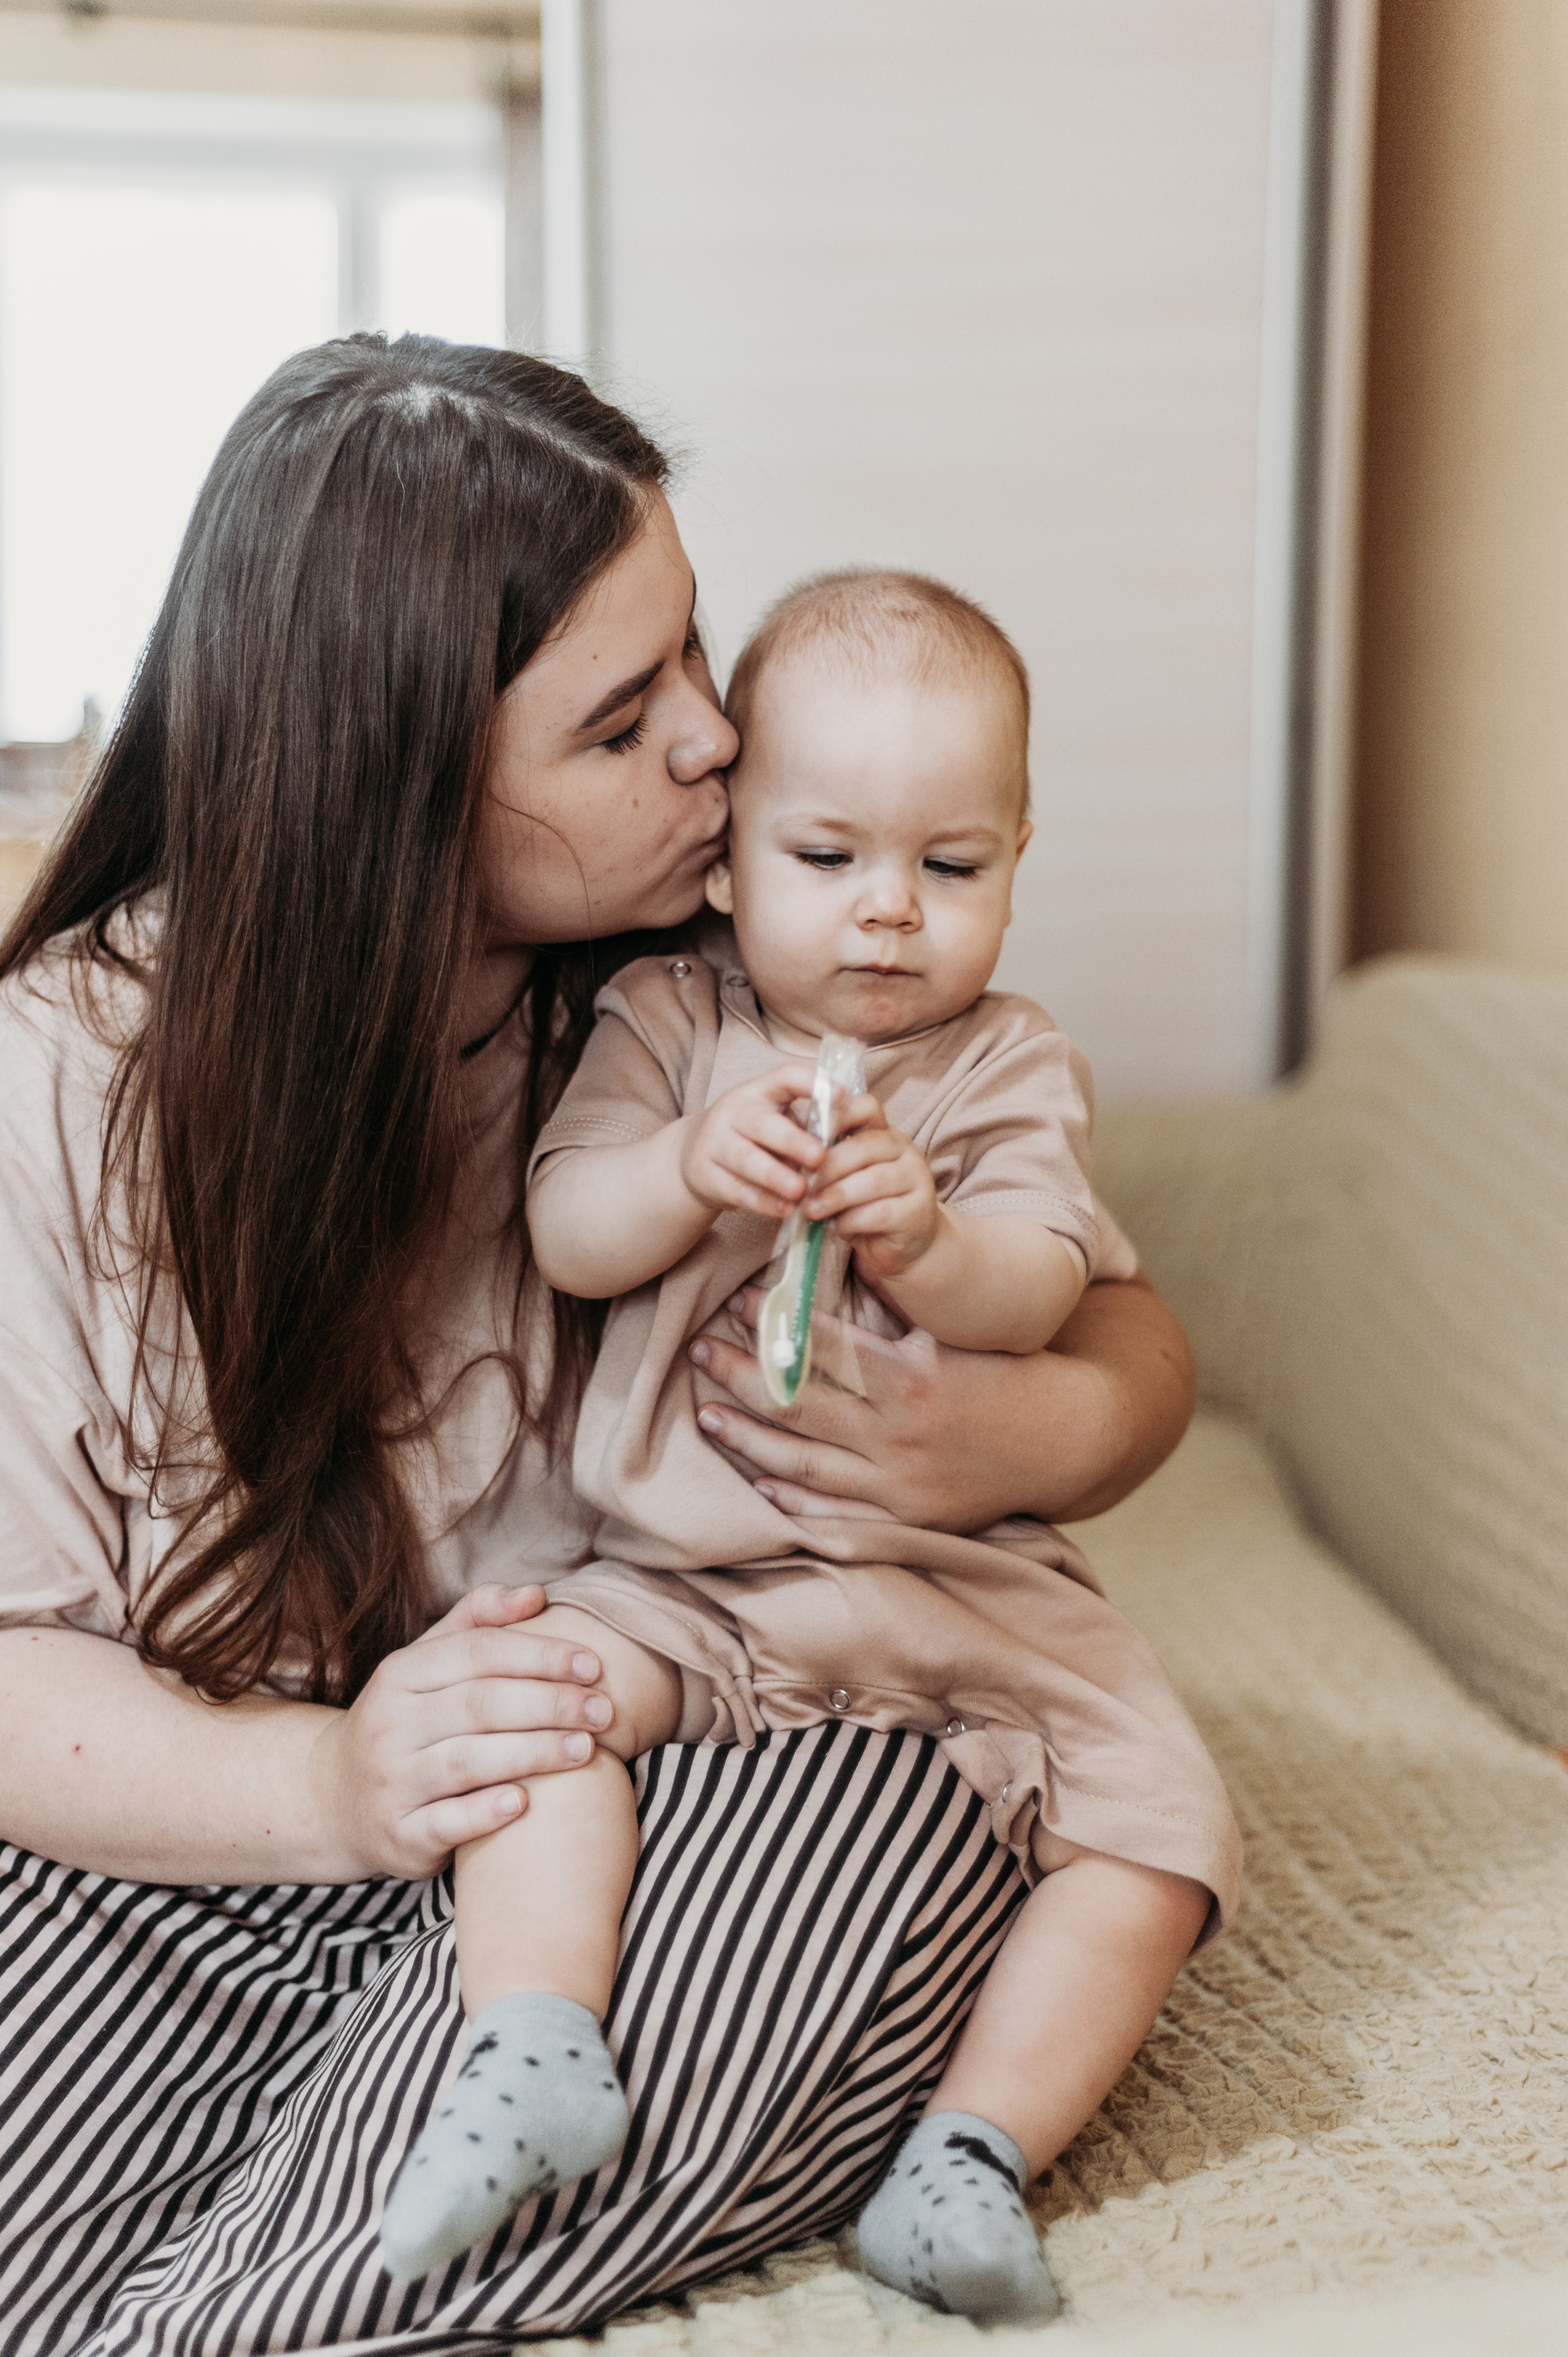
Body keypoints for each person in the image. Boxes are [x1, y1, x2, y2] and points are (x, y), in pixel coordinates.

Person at [0, 336, 1199, 2356]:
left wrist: (1009, 1438)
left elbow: (1134, 1329)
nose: (726, 750)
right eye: (627, 721)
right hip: (202, 1799)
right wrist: (339, 1798)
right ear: (395, 778)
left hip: (673, 1734)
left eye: (699, 664)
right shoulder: (64, 1082)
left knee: (904, 1804)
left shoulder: (731, 961)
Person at [379, 570, 1240, 2321]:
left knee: (1167, 1830)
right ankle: (533, 2042)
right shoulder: (674, 1024)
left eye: (952, 865)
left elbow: (1045, 1288)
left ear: (1017, 859)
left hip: (955, 1585)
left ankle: (972, 2152)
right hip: (681, 1575)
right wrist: (689, 1167)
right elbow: (567, 1230)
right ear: (730, 855)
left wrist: (928, 1241)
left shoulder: (1007, 1071)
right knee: (530, 1712)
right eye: (828, 857)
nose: (889, 919)